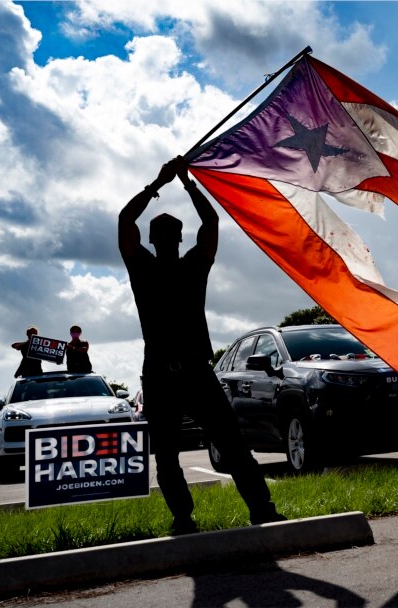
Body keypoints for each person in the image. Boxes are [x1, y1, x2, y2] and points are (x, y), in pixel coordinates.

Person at [118, 156, 285, 534]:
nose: (165, 240)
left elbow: (126, 222)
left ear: (161, 240)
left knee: (193, 451)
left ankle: (223, 514)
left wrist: (158, 184)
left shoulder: (153, 267)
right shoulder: (185, 266)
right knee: (216, 447)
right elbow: (210, 224)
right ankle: (238, 512)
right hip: (174, 372)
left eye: (164, 236)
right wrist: (184, 183)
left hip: (183, 371)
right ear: (178, 239)